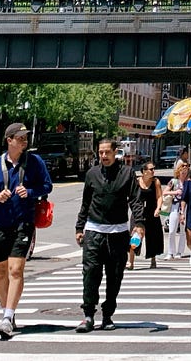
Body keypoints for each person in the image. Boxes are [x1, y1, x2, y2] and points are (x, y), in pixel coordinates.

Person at [0, 122, 53, 340]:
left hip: (23, 222)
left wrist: (29, 191)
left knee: (16, 269)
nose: (24, 142)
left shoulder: (35, 162)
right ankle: (7, 312)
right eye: (20, 138)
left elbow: (47, 186)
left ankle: (7, 317)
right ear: (9, 140)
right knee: (1, 271)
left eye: (26, 138)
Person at [75, 137, 133, 333]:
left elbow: (135, 201)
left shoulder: (126, 173)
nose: (104, 156)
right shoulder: (92, 174)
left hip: (118, 232)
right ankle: (88, 315)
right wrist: (79, 227)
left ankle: (107, 315)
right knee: (90, 274)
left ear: (115, 152)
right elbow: (85, 202)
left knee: (114, 276)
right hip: (94, 231)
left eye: (107, 152)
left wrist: (139, 226)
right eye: (101, 153)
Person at [127, 161, 164, 270]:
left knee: (153, 236)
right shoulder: (136, 182)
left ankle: (153, 259)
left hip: (152, 212)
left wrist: (158, 208)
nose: (153, 171)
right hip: (138, 213)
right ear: (144, 171)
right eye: (151, 169)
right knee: (135, 236)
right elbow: (132, 198)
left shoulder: (156, 182)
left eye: (153, 169)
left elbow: (159, 196)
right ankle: (131, 261)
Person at [163, 160, 189, 259]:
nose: (184, 171)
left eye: (186, 169)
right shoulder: (173, 181)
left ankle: (180, 252)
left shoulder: (188, 182)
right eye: (182, 169)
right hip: (174, 206)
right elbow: (164, 192)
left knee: (183, 231)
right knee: (171, 230)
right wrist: (175, 192)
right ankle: (170, 252)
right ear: (178, 170)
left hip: (185, 207)